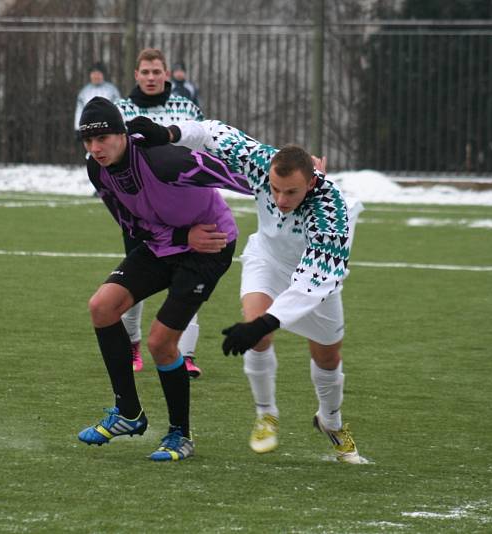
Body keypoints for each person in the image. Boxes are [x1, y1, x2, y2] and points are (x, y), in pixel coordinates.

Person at [127, 118, 365, 464]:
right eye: (275, 189)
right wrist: (168, 134)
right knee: (257, 334)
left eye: (292, 192)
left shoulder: (331, 209)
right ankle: (266, 413)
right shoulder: (260, 161)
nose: (281, 200)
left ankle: (330, 420)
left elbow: (314, 280)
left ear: (312, 181)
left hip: (313, 281)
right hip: (266, 259)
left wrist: (266, 322)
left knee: (327, 356)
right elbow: (212, 132)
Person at [76, 97, 252, 462]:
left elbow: (239, 177)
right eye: (88, 141)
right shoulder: (98, 169)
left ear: (122, 134)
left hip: (209, 244)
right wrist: (177, 238)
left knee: (160, 342)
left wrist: (295, 177)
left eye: (104, 137)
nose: (96, 148)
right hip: (164, 242)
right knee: (102, 307)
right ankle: (128, 413)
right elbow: (131, 225)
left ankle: (180, 435)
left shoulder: (163, 160)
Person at [115, 48, 205, 378]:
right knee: (134, 282)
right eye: (146, 72)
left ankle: (186, 353)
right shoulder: (121, 111)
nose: (152, 77)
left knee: (188, 278)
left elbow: (200, 150)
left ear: (166, 74)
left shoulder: (187, 108)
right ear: (136, 75)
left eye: (157, 72)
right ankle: (133, 344)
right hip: (139, 210)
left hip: (183, 208)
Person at [73, 62, 121, 139]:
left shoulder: (112, 90)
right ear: (90, 75)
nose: (96, 76)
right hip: (89, 129)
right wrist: (78, 128)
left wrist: (120, 125)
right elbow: (79, 110)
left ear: (103, 75)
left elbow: (119, 108)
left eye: (98, 73)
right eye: (93, 73)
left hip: (109, 128)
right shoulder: (84, 92)